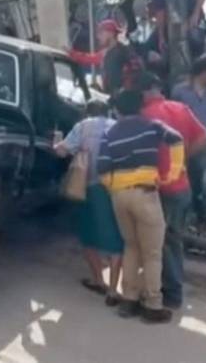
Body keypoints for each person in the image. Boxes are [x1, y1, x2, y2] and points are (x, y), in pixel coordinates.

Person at [98, 90, 184, 323]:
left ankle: (129, 301)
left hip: (119, 196)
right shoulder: (152, 125)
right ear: (140, 106)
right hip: (145, 193)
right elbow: (176, 139)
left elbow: (102, 169)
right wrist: (171, 174)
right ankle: (153, 305)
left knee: (131, 247)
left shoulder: (110, 132)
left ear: (118, 110)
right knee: (153, 253)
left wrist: (116, 188)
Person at [140, 72, 206, 309]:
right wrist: (182, 159)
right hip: (182, 186)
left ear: (145, 91)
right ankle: (168, 288)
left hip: (159, 187)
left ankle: (170, 293)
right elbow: (204, 137)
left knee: (159, 241)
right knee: (173, 240)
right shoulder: (181, 108)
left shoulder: (145, 116)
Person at [54, 100, 123, 305]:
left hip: (89, 186)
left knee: (87, 235)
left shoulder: (82, 126)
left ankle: (98, 280)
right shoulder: (117, 126)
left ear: (86, 112)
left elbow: (62, 151)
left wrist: (56, 140)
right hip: (115, 188)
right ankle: (113, 289)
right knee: (115, 239)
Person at [172, 54, 206, 231]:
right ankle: (185, 218)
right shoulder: (180, 91)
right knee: (184, 180)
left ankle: (202, 219)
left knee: (202, 182)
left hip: (205, 143)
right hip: (183, 141)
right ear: (204, 72)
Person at [69, 19, 143, 95]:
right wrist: (71, 54)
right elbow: (88, 58)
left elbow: (137, 69)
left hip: (123, 97)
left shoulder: (123, 51)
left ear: (110, 33)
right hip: (111, 96)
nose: (98, 36)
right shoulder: (105, 54)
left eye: (101, 33)